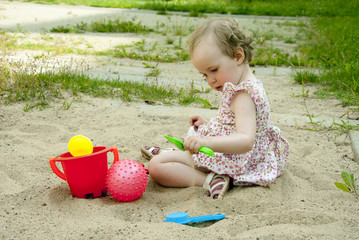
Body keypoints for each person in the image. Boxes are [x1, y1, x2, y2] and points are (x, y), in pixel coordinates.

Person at [141, 18, 289, 199]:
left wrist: (206, 143)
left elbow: (245, 140)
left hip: (234, 157)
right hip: (237, 153)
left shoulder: (243, 95)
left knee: (156, 167)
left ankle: (209, 179)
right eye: (205, 75)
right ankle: (178, 155)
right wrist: (209, 123)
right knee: (190, 141)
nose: (210, 80)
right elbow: (237, 122)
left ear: (238, 56)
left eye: (214, 70)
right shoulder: (244, 84)